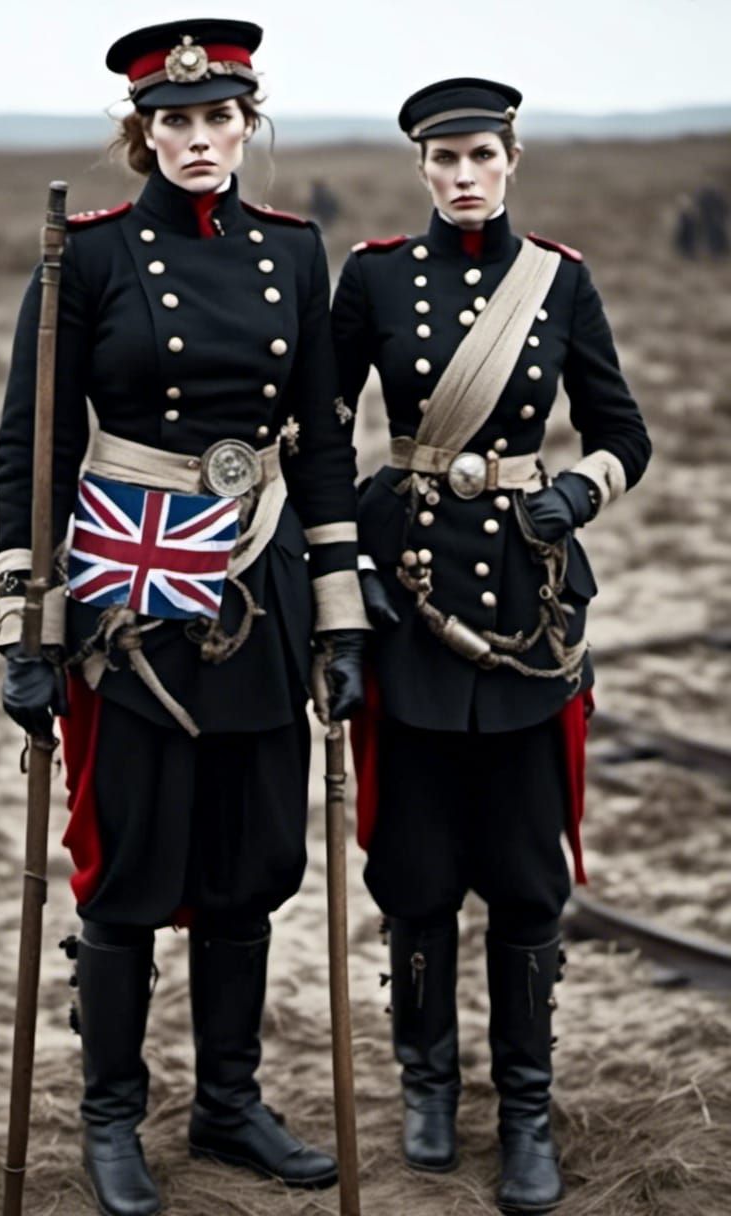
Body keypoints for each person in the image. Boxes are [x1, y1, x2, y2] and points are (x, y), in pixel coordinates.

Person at [0, 19, 368, 1216]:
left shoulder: (294, 253)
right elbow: (32, 450)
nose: (200, 141)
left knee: (248, 864)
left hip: (254, 593)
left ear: (245, 125)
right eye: (175, 123)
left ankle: (228, 1103)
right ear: (140, 133)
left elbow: (321, 444)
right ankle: (110, 1117)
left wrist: (339, 616)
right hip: (127, 602)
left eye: (219, 121)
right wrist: (27, 622)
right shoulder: (86, 260)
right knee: (129, 867)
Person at [332, 78, 650, 1214]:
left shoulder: (558, 282)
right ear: (420, 168)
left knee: (524, 876)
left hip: (525, 604)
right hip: (406, 599)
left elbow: (624, 432)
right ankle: (426, 1081)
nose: (462, 175)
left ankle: (524, 1105)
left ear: (511, 158)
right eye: (442, 159)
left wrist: (577, 487)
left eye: (480, 155)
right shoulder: (371, 276)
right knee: (414, 872)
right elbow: (319, 428)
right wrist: (344, 565)